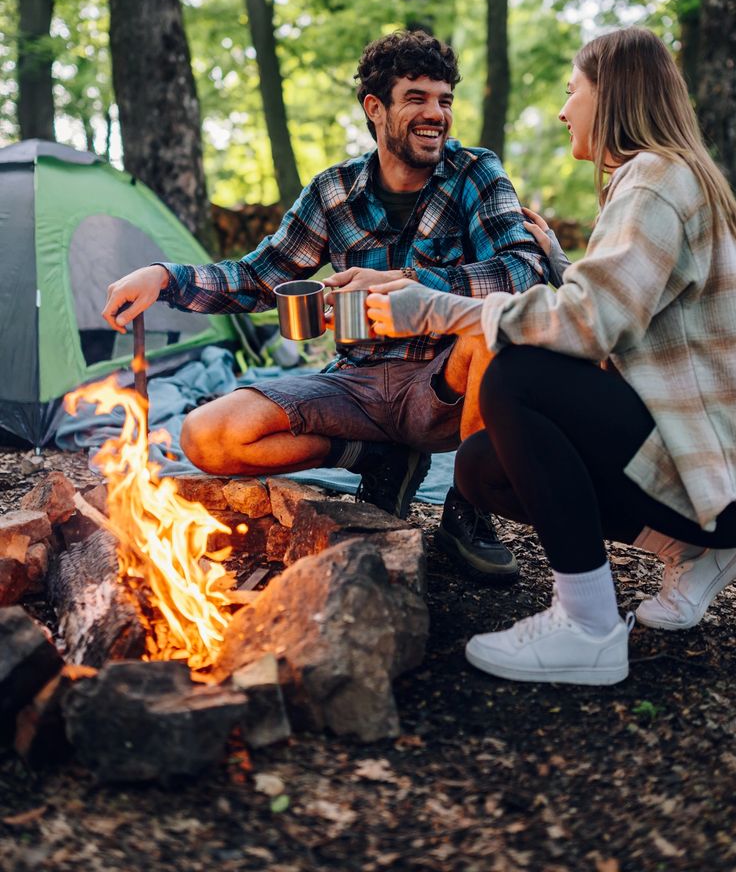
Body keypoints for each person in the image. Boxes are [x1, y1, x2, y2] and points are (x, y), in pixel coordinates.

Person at [366, 27, 736, 684]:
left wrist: (434, 306)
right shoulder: (670, 178)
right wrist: (565, 265)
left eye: (573, 92)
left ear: (611, 93)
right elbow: (641, 308)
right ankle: (690, 546)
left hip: (719, 476)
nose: (565, 109)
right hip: (720, 479)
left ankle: (587, 627)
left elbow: (589, 325)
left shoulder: (653, 180)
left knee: (515, 378)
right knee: (481, 468)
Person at [102, 29, 551, 582]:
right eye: (417, 98)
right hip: (355, 386)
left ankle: (467, 509)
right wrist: (164, 276)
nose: (436, 113)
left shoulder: (476, 175)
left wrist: (409, 281)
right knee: (205, 436)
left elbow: (523, 272)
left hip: (445, 387)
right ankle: (374, 459)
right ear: (375, 107)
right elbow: (258, 278)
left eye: (444, 100)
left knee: (492, 326)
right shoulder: (332, 192)